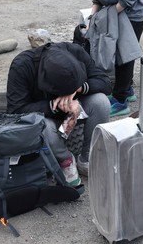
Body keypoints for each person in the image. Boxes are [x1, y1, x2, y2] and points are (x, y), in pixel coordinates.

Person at [60, 0, 143, 117]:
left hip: (134, 9)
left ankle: (120, 100)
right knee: (117, 50)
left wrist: (106, 16)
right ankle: (128, 89)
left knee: (123, 53)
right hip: (117, 8)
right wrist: (91, 19)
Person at [6, 42, 111, 185]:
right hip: (47, 114)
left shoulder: (75, 51)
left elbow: (105, 82)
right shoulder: (22, 66)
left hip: (76, 108)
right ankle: (65, 161)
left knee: (101, 102)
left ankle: (88, 157)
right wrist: (53, 106)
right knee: (44, 126)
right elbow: (15, 111)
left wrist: (80, 89)